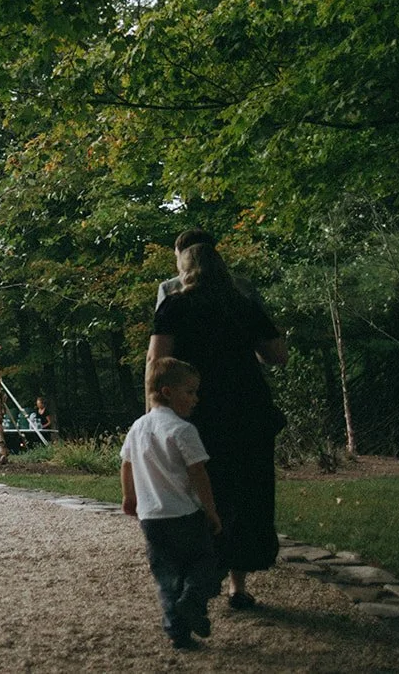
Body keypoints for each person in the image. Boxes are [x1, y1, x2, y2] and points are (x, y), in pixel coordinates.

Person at [149, 239, 288, 611]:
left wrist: (154, 414)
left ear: (185, 267)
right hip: (247, 410)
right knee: (246, 494)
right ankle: (236, 588)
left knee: (198, 492)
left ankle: (195, 580)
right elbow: (277, 355)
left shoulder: (174, 305)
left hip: (197, 410)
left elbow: (157, 361)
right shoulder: (241, 304)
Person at [121, 357, 223, 651]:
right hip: (185, 515)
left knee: (166, 575)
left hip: (151, 518)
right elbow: (197, 471)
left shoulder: (138, 427)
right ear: (167, 392)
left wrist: (129, 497)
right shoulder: (182, 430)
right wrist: (211, 510)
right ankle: (192, 600)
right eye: (189, 392)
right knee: (204, 561)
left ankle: (177, 633)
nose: (195, 399)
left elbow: (126, 464)